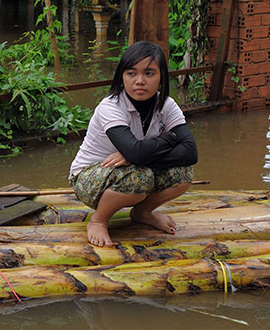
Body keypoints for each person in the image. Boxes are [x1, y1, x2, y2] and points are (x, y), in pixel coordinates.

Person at [69, 41, 198, 247]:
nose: (139, 81)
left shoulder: (166, 105)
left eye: (149, 73)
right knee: (140, 177)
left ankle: (142, 212)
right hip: (89, 177)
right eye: (131, 73)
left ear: (161, 77)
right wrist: (169, 139)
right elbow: (137, 153)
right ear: (122, 77)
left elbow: (190, 152)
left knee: (183, 174)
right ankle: (99, 220)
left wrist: (134, 155)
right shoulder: (110, 107)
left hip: (133, 169)